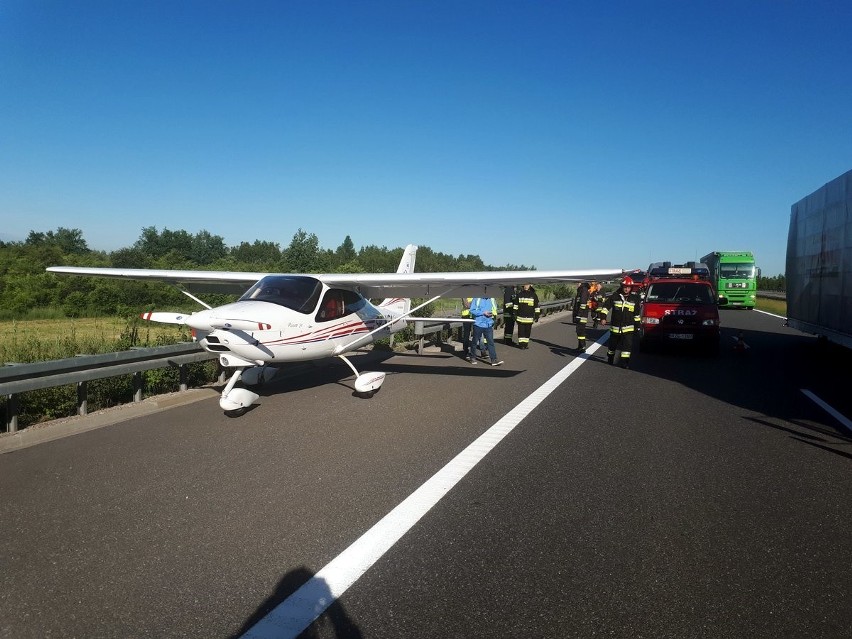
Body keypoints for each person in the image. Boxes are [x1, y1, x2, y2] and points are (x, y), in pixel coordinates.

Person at [598, 276, 641, 368]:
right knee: (612, 346)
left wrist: (637, 327)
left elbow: (636, 315)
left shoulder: (635, 299)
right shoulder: (615, 296)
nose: (626, 289)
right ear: (622, 286)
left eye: (628, 287)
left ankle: (625, 363)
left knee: (627, 347)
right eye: (625, 287)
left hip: (628, 328)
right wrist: (603, 318)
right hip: (615, 328)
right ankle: (610, 357)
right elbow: (605, 307)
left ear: (631, 288)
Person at [468, 297, 503, 366]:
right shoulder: (477, 299)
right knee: (475, 341)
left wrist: (492, 313)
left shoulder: (492, 299)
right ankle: (472, 357)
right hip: (478, 323)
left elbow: (494, 309)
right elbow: (472, 310)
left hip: (488, 324)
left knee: (491, 342)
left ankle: (494, 360)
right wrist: (483, 313)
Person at [514, 283, 540, 349]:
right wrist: (515, 314)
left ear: (530, 286)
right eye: (525, 285)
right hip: (520, 318)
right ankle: (521, 345)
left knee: (527, 332)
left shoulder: (533, 295)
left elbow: (536, 306)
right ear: (523, 286)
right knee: (521, 332)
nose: (526, 286)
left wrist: (537, 316)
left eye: (527, 285)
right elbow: (516, 305)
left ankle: (525, 344)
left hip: (529, 318)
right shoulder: (519, 295)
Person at [572, 281, 592, 352]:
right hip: (581, 315)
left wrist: (578, 315)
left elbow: (583, 304)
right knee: (579, 331)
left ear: (581, 283)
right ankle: (580, 346)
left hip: (581, 315)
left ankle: (582, 346)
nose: (576, 284)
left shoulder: (583, 290)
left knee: (580, 331)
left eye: (577, 283)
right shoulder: (582, 290)